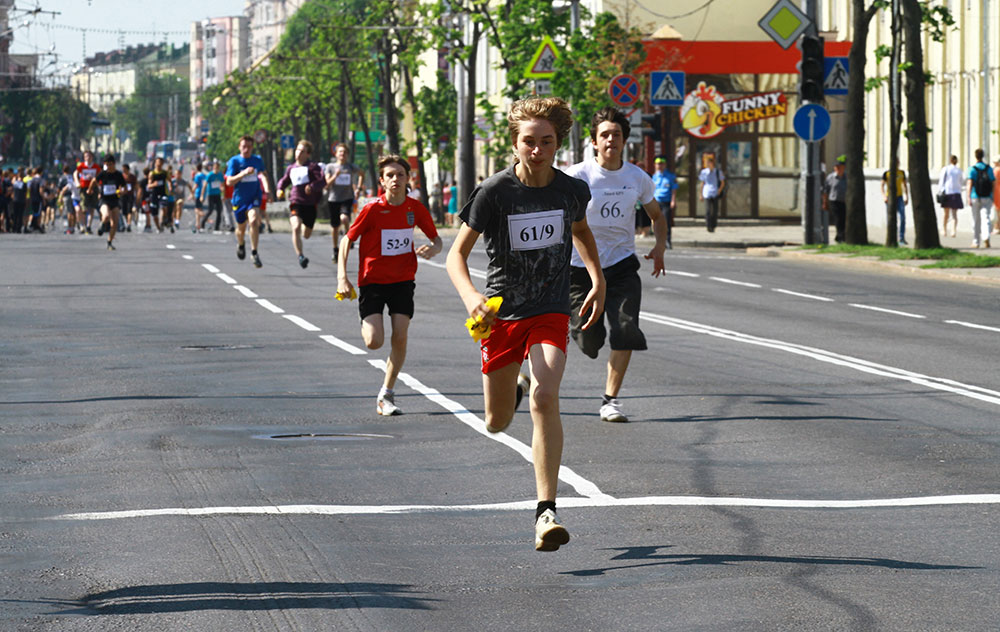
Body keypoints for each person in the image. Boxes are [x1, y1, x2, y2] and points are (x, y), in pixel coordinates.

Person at [446, 97, 605, 552]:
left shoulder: (571, 190)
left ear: (559, 143)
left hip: (550, 311)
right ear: (515, 145)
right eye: (529, 142)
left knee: (546, 394)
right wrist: (473, 297)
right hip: (500, 315)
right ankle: (512, 384)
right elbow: (456, 256)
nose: (538, 150)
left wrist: (597, 277)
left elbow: (581, 231)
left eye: (547, 142)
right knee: (496, 422)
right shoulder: (494, 192)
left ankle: (546, 511)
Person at [565, 107, 666, 423]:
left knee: (625, 330)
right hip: (580, 270)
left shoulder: (637, 177)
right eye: (605, 135)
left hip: (622, 266)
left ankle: (610, 400)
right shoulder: (576, 176)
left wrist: (659, 247)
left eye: (616, 135)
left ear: (624, 140)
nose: (611, 140)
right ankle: (582, 335)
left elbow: (657, 216)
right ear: (594, 141)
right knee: (589, 339)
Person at [336, 154, 442, 416]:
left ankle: (387, 393)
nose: (396, 179)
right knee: (374, 342)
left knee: (401, 336)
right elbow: (346, 241)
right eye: (390, 175)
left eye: (400, 175)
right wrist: (342, 277)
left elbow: (437, 239)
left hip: (403, 281)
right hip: (372, 281)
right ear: (382, 182)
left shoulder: (415, 209)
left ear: (408, 179)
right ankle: (367, 321)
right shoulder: (372, 210)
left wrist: (433, 249)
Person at [276, 140, 325, 268]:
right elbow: (284, 181)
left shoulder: (313, 167)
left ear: (307, 154)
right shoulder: (291, 168)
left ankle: (304, 230)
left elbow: (322, 182)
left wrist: (312, 187)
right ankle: (300, 256)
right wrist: (279, 189)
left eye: (302, 151)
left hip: (309, 204)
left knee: (306, 234)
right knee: (296, 226)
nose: (298, 153)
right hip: (295, 202)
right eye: (297, 150)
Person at [226, 135, 271, 267]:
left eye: (249, 147)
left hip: (254, 197)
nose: (247, 149)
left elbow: (263, 175)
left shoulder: (257, 160)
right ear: (240, 147)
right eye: (244, 146)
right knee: (240, 228)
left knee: (253, 220)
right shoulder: (234, 161)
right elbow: (229, 181)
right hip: (239, 199)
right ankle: (241, 244)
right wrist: (244, 173)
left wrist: (267, 191)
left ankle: (254, 252)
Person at [325, 143, 364, 261]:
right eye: (340, 152)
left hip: (346, 198)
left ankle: (349, 237)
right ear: (336, 154)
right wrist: (335, 176)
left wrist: (358, 188)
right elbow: (327, 184)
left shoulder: (351, 167)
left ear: (347, 155)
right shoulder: (330, 167)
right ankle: (335, 249)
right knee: (335, 226)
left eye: (345, 152)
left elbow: (362, 174)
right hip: (333, 199)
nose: (343, 154)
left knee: (345, 219)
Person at [87, 154, 126, 250]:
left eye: (110, 164)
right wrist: (90, 190)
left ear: (114, 164)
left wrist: (122, 191)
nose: (108, 167)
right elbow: (93, 181)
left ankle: (109, 242)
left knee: (115, 223)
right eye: (106, 164)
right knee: (106, 216)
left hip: (115, 200)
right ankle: (102, 225)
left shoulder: (118, 175)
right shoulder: (103, 174)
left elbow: (124, 187)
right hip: (104, 200)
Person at [966, 148, 994, 249]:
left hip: (975, 196)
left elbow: (969, 183)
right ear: (983, 156)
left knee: (976, 219)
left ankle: (976, 241)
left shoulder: (972, 169)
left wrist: (968, 197)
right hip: (987, 196)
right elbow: (993, 183)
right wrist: (993, 196)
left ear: (975, 156)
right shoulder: (989, 168)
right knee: (986, 217)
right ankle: (986, 237)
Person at [651, 156, 677, 248]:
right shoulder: (653, 177)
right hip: (656, 202)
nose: (660, 166)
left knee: (666, 222)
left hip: (666, 202)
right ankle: (659, 241)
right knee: (657, 223)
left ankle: (668, 240)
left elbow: (674, 189)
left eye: (662, 164)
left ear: (665, 165)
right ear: (655, 165)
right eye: (658, 164)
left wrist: (673, 201)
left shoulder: (670, 176)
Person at [937, 155, 964, 238]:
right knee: (954, 214)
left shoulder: (946, 169)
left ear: (950, 160)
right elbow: (961, 182)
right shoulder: (959, 171)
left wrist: (940, 190)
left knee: (946, 213)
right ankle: (953, 230)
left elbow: (942, 180)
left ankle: (944, 229)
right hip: (956, 193)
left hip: (947, 192)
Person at [881, 166, 909, 245]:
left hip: (899, 197)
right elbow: (882, 185)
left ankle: (901, 238)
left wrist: (906, 197)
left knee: (902, 217)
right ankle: (892, 237)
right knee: (891, 218)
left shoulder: (901, 173)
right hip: (890, 197)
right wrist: (884, 196)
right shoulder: (887, 173)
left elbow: (904, 185)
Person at [823, 155, 848, 243]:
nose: (837, 169)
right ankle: (841, 236)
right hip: (834, 201)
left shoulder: (847, 177)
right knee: (838, 219)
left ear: (843, 168)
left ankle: (839, 236)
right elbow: (826, 190)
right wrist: (825, 202)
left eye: (839, 167)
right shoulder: (831, 177)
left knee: (844, 219)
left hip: (845, 201)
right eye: (836, 167)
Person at [698, 153, 725, 232]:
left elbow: (722, 182)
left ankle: (713, 225)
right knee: (708, 211)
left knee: (715, 211)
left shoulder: (717, 172)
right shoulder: (704, 172)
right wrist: (701, 194)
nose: (709, 164)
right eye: (707, 163)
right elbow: (702, 183)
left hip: (715, 193)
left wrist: (719, 190)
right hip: (707, 193)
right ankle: (708, 226)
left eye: (710, 163)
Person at [75, 151, 99, 234]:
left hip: (93, 188)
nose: (87, 158)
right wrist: (77, 182)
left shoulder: (96, 166)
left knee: (92, 208)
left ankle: (88, 226)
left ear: (92, 157)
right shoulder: (81, 165)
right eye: (85, 156)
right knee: (84, 208)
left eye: (89, 156)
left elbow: (99, 176)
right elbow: (75, 173)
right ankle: (83, 225)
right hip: (84, 188)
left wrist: (96, 181)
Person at [200, 161, 225, 232]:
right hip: (211, 194)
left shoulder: (220, 175)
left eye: (217, 168)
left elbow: (223, 185)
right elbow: (204, 185)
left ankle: (217, 227)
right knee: (210, 210)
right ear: (213, 168)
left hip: (217, 194)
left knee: (219, 211)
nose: (216, 169)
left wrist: (223, 195)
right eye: (215, 168)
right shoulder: (210, 175)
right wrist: (202, 196)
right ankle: (202, 223)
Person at [120, 163, 136, 232]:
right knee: (124, 211)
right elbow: (119, 185)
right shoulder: (121, 176)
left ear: (127, 169)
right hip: (123, 195)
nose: (123, 170)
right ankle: (127, 223)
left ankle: (129, 224)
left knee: (129, 210)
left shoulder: (132, 177)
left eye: (124, 169)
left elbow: (136, 185)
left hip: (130, 195)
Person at [191, 162, 207, 233]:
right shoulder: (204, 175)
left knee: (196, 210)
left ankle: (206, 217)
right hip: (203, 194)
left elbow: (196, 185)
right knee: (199, 208)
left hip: (198, 194)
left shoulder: (197, 176)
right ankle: (198, 225)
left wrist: (192, 193)